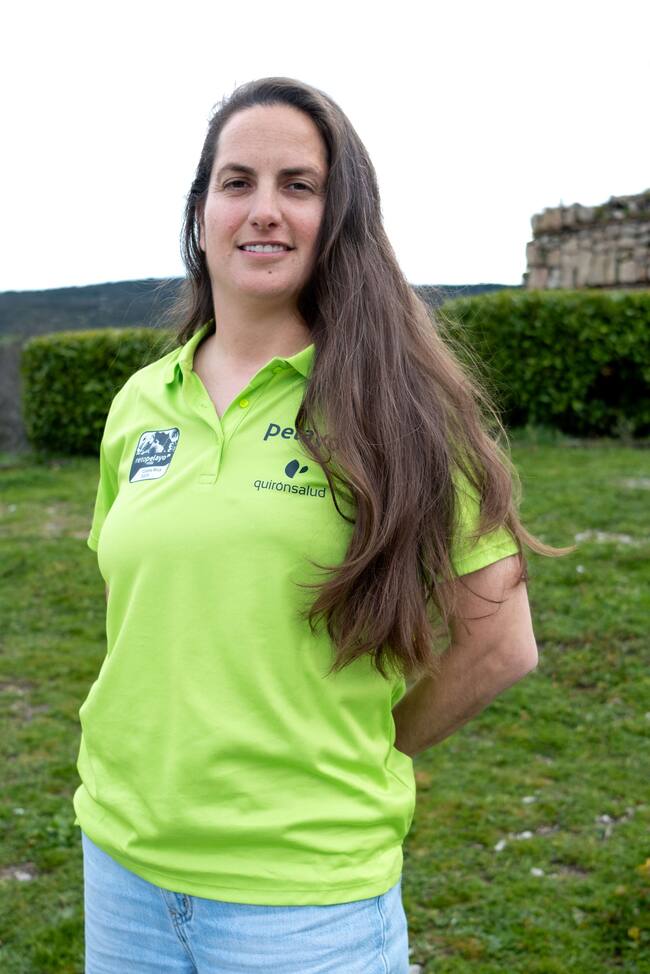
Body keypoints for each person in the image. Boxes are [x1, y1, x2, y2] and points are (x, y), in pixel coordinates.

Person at [74, 77, 568, 973]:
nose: (264, 209)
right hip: (121, 865)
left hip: (303, 903)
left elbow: (501, 644)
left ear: (338, 217)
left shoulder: (400, 407)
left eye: (297, 185)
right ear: (201, 213)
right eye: (237, 182)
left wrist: (370, 747)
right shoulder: (140, 403)